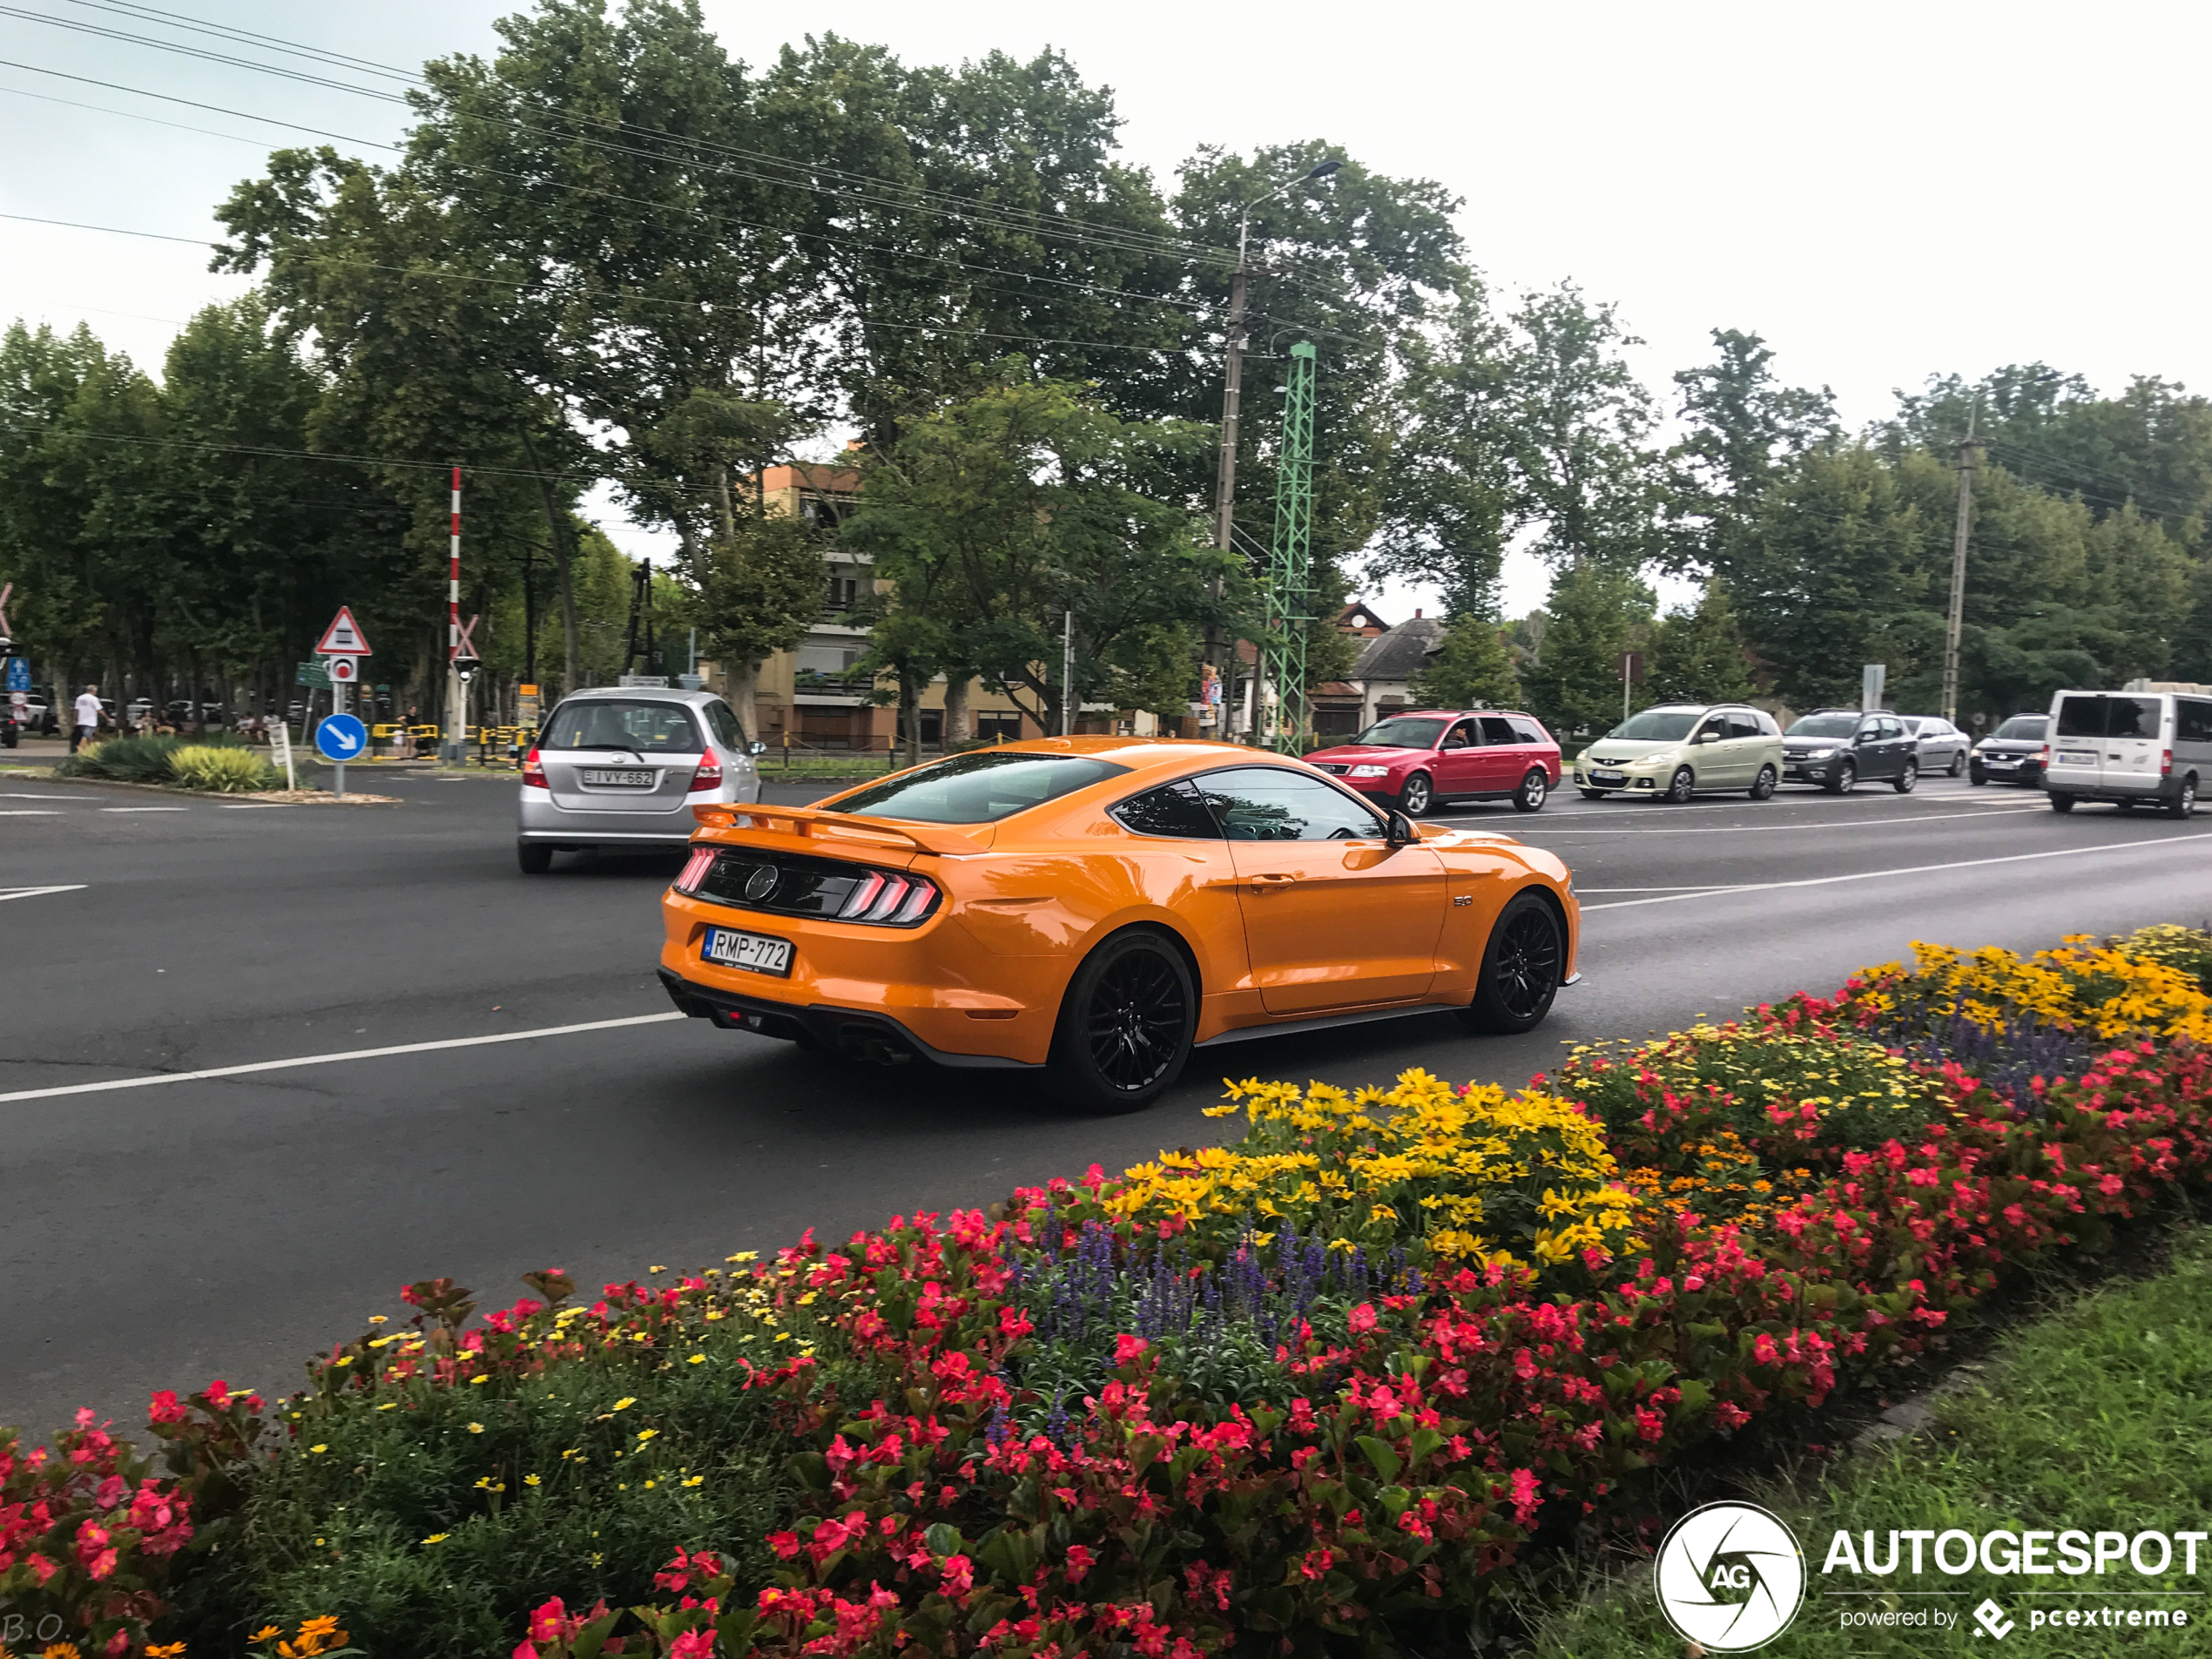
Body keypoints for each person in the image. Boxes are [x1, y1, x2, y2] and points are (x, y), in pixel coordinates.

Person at [71, 684, 104, 752]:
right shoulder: (94, 699)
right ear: (94, 691)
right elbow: (99, 710)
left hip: (81, 721)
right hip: (90, 721)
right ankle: (90, 749)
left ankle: (78, 748)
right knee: (88, 736)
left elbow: (76, 710)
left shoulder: (79, 698)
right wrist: (107, 718)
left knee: (81, 736)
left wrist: (75, 719)